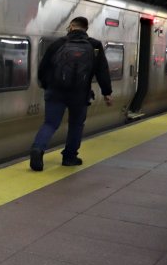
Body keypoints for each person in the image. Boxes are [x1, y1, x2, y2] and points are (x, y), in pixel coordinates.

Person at [29, 17, 112, 171]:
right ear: (86, 29)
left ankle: (38, 148)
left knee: (50, 123)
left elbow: (43, 68)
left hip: (55, 92)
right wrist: (107, 92)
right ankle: (69, 157)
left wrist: (47, 86)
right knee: (76, 125)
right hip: (80, 94)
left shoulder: (58, 43)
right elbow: (102, 71)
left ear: (72, 26)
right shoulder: (94, 46)